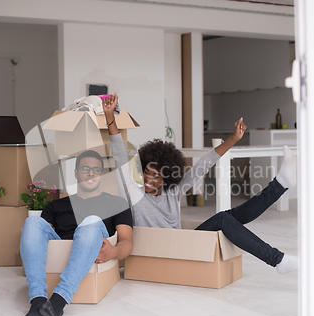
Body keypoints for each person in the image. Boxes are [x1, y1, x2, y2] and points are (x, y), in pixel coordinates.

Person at [103, 93, 297, 274]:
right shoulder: (135, 196)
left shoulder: (173, 192)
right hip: (170, 252)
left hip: (183, 246)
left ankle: (280, 184)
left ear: (167, 177)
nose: (148, 179)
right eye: (146, 173)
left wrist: (233, 138)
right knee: (223, 219)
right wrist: (110, 118)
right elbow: (120, 157)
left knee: (233, 216)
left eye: (155, 176)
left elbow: (202, 166)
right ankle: (277, 260)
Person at [19, 150, 133, 316]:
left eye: (96, 170)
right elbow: (37, 241)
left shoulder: (117, 203)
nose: (90, 173)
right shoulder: (55, 205)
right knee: (32, 222)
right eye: (85, 168)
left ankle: (59, 300)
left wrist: (113, 252)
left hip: (94, 247)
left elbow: (127, 241)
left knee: (91, 221)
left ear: (101, 175)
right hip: (62, 246)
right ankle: (38, 300)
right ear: (75, 172)